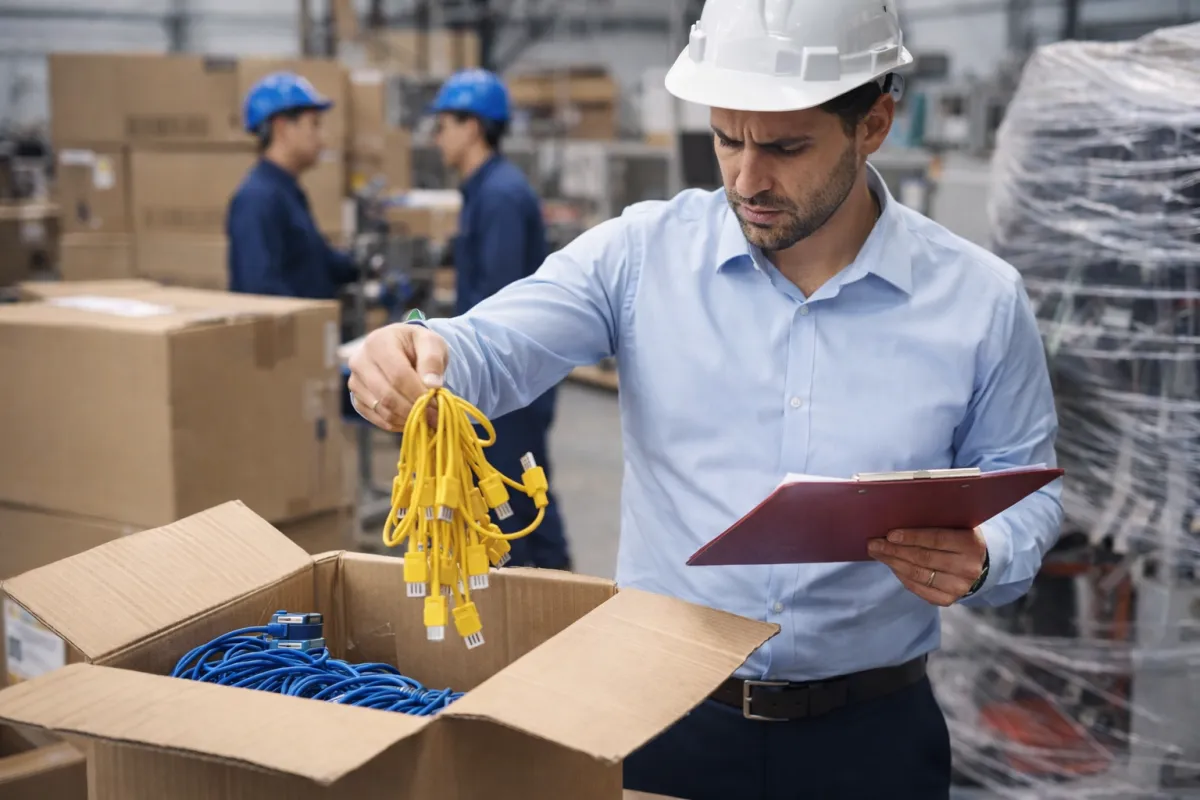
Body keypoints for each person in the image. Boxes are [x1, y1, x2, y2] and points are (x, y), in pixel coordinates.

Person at [347, 1, 1063, 797]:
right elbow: (491, 344)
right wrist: (416, 346)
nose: (747, 178)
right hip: (660, 715)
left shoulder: (980, 303)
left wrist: (987, 556)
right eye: (727, 138)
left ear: (874, 124)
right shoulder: (641, 257)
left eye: (786, 146)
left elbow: (1024, 483)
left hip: (871, 735)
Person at [424, 69, 571, 570]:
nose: (437, 136)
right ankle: (570, 612)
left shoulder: (501, 195)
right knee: (527, 504)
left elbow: (499, 305)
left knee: (514, 512)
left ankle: (549, 623)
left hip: (508, 379)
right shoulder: (484, 190)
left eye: (443, 123)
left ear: (473, 126)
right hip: (504, 378)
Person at [227, 72, 357, 299]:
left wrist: (362, 263)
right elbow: (260, 291)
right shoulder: (257, 199)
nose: (322, 138)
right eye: (314, 125)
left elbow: (317, 262)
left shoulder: (286, 191)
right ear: (282, 128)